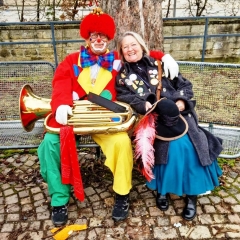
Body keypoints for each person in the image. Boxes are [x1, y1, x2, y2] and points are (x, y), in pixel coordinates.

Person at [37, 9, 179, 226]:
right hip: (75, 119)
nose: (98, 39)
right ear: (87, 38)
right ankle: (59, 199)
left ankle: (122, 194)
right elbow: (61, 82)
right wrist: (62, 103)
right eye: (94, 35)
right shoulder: (71, 60)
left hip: (106, 123)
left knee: (122, 142)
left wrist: (163, 56)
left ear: (108, 39)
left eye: (103, 36)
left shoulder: (116, 60)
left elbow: (139, 55)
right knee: (49, 143)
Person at [115, 31, 223, 221]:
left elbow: (186, 86)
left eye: (134, 45)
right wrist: (143, 105)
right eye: (126, 47)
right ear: (122, 52)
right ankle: (162, 191)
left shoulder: (161, 64)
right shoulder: (123, 77)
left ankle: (192, 196)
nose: (130, 49)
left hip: (181, 115)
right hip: (153, 119)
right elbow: (124, 96)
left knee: (188, 146)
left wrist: (181, 102)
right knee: (165, 146)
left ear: (141, 46)